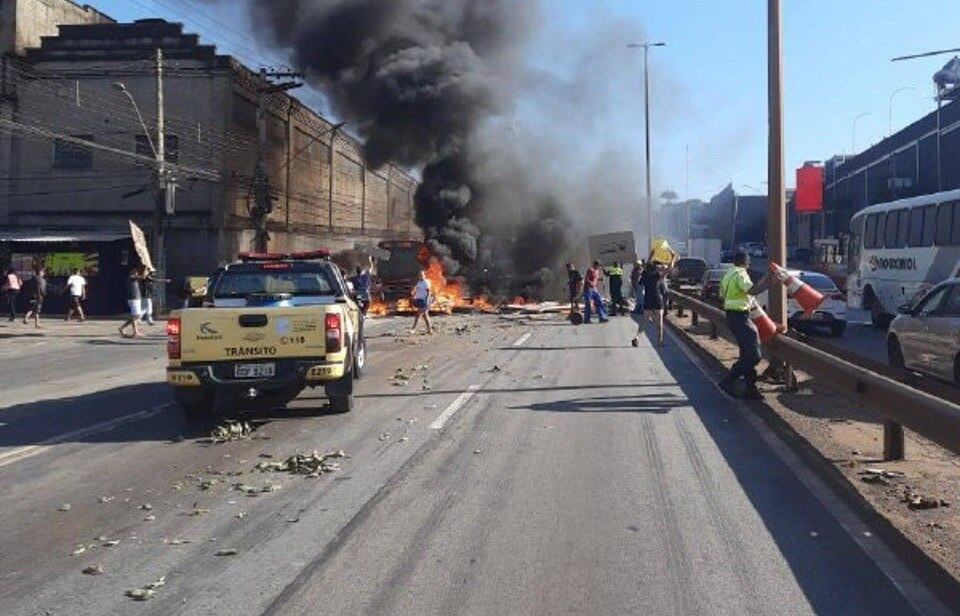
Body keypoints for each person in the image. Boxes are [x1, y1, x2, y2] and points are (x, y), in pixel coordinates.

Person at [717, 251, 771, 400]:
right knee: (754, 355)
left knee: (747, 353)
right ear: (746, 263)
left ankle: (750, 389)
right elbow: (752, 290)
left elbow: (722, 295)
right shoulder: (741, 274)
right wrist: (770, 283)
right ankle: (728, 380)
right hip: (740, 317)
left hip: (732, 316)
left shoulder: (728, 274)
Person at [632, 262, 669, 347]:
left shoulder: (644, 275)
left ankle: (637, 337)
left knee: (644, 321)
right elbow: (666, 271)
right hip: (657, 300)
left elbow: (640, 283)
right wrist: (672, 261)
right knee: (659, 323)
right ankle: (659, 342)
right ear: (655, 269)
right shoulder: (656, 275)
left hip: (647, 300)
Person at [119, 266, 144, 338]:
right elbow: (142, 277)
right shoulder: (131, 278)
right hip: (134, 299)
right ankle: (135, 332)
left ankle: (123, 328)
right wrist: (147, 269)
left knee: (136, 316)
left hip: (136, 299)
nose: (136, 273)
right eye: (135, 272)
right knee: (135, 316)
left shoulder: (132, 278)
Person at [409, 270, 433, 335]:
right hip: (419, 300)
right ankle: (430, 330)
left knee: (418, 314)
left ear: (424, 275)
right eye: (420, 275)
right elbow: (416, 290)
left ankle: (413, 329)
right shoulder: (419, 282)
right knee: (425, 316)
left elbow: (428, 292)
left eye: (422, 275)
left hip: (424, 300)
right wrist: (413, 294)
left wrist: (427, 301)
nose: (421, 276)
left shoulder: (426, 282)